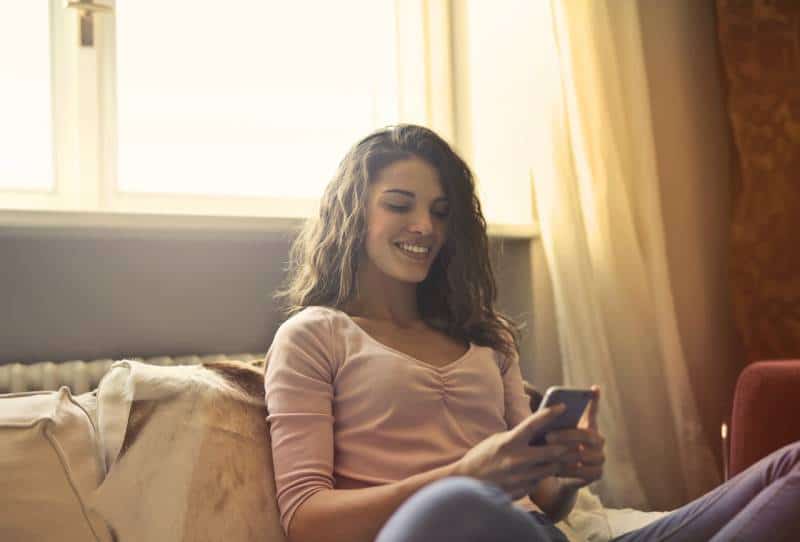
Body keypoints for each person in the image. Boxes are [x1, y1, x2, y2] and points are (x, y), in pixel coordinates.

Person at [264, 124, 800, 542]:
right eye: (400, 205)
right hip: (440, 528)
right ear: (353, 213)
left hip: (533, 534)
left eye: (440, 212)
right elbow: (307, 522)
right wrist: (466, 475)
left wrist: (564, 472)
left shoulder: (486, 339)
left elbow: (544, 500)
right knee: (460, 504)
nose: (424, 227)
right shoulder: (314, 336)